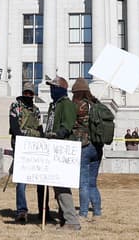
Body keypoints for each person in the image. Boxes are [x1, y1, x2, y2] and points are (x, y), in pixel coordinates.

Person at [44, 75, 82, 231]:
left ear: (60, 89)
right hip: (54, 147)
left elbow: (67, 125)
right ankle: (64, 218)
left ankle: (71, 221)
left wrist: (58, 134)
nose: (51, 90)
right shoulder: (54, 105)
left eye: (53, 87)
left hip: (63, 149)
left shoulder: (66, 104)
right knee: (57, 185)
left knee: (62, 186)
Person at [72, 78, 109, 221]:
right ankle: (97, 212)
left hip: (84, 145)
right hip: (98, 146)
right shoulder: (96, 104)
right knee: (92, 182)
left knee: (83, 183)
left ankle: (83, 213)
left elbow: (72, 124)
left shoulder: (78, 105)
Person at [8, 87, 46, 223]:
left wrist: (43, 141)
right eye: (26, 93)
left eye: (30, 93)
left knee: (41, 179)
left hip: (36, 146)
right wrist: (21, 141)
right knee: (22, 180)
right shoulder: (15, 106)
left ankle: (43, 210)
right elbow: (14, 126)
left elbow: (40, 127)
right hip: (22, 146)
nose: (28, 95)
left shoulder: (36, 110)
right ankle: (21, 211)